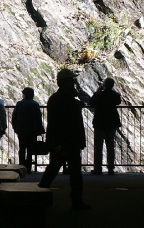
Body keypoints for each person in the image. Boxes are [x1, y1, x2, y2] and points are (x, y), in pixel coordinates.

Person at [38, 69, 91, 210]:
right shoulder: (67, 100)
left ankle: (39, 194)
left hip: (60, 141)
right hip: (68, 140)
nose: (74, 83)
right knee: (73, 173)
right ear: (66, 82)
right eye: (71, 80)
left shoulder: (55, 99)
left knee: (53, 169)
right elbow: (75, 112)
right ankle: (76, 201)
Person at [89, 77, 121, 175]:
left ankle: (98, 168)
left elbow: (91, 102)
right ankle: (111, 168)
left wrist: (97, 92)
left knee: (98, 146)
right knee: (110, 146)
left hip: (100, 122)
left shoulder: (99, 95)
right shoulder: (115, 95)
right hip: (111, 122)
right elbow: (118, 102)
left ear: (104, 85)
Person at [11, 87, 45, 173]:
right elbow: (38, 117)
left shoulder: (19, 104)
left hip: (21, 130)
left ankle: (21, 167)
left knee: (22, 148)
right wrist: (40, 129)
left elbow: (14, 116)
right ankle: (29, 167)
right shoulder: (35, 104)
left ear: (24, 94)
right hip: (32, 130)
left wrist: (15, 127)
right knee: (30, 149)